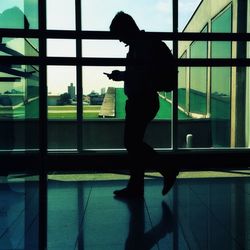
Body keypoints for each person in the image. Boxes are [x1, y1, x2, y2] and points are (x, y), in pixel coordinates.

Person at [105, 11, 179, 198]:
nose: (120, 40)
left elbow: (140, 74)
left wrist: (123, 75)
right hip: (143, 100)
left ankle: (166, 169)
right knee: (134, 144)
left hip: (142, 100)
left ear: (126, 29)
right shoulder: (142, 44)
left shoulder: (142, 46)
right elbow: (140, 73)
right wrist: (121, 75)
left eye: (120, 35)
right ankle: (137, 185)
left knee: (132, 143)